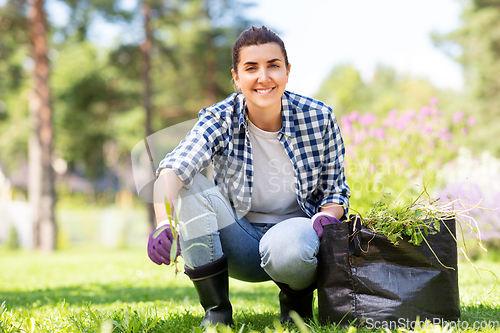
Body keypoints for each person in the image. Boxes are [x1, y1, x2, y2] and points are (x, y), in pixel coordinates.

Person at [147, 26, 350, 326]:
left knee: (287, 247)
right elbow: (175, 168)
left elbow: (335, 192)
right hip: (238, 241)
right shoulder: (220, 117)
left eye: (273, 66)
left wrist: (326, 219)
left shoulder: (319, 117)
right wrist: (163, 221)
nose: (263, 77)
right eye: (251, 68)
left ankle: (297, 309)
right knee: (191, 187)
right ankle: (216, 314)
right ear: (236, 77)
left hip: (294, 242)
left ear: (287, 72)